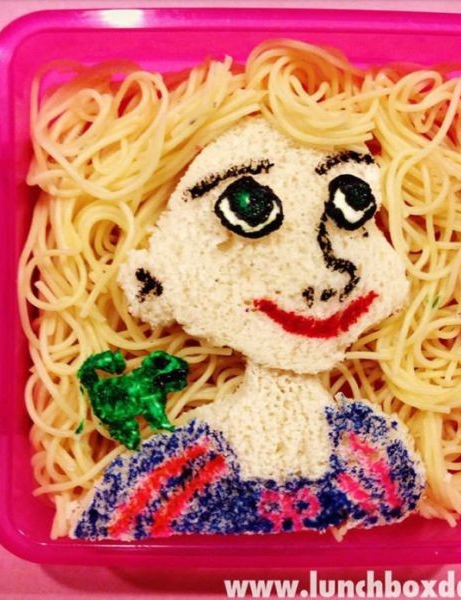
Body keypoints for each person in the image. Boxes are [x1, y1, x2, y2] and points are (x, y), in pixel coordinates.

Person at [72, 117, 425, 540]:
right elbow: (114, 526)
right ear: (153, 279)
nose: (325, 274)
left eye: (352, 199)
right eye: (247, 208)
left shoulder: (374, 452)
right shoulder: (168, 480)